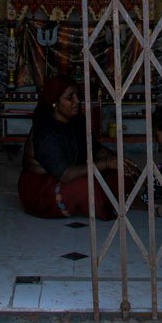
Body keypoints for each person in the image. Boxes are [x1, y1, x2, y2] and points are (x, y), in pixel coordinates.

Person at [19, 76, 134, 219]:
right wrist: (105, 163)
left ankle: (109, 198)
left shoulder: (77, 120)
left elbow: (96, 149)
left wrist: (117, 160)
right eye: (70, 98)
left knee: (121, 173)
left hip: (71, 174)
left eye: (77, 96)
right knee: (83, 187)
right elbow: (65, 174)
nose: (77, 101)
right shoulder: (45, 132)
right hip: (42, 187)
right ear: (55, 103)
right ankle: (103, 202)